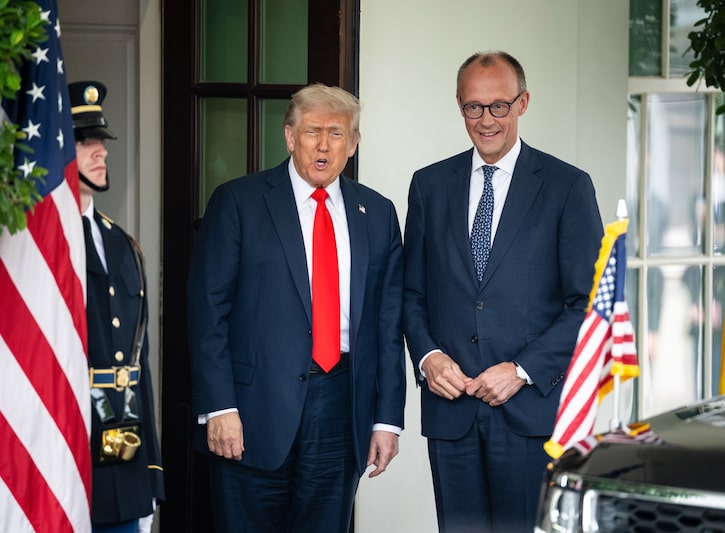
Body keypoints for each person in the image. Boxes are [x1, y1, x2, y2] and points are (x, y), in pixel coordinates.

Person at [187, 83, 406, 532]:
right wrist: (219, 407)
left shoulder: (378, 214)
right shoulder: (238, 202)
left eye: (337, 133)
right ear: (289, 137)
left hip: (341, 407)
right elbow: (207, 310)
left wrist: (388, 419)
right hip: (250, 410)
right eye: (312, 132)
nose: (324, 145)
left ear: (354, 143)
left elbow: (388, 324)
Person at [403, 51, 604, 533]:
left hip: (528, 414)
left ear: (523, 103)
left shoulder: (567, 187)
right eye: (474, 107)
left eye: (499, 106)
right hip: (451, 413)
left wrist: (521, 370)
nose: (486, 119)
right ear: (459, 105)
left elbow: (589, 304)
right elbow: (411, 294)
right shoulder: (429, 186)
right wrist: (428, 357)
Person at [71, 80, 165, 533]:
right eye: (85, 142)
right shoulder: (41, 248)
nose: (100, 152)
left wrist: (150, 477)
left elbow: (137, 365)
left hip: (124, 459)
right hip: (64, 455)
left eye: (101, 142)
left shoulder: (121, 243)